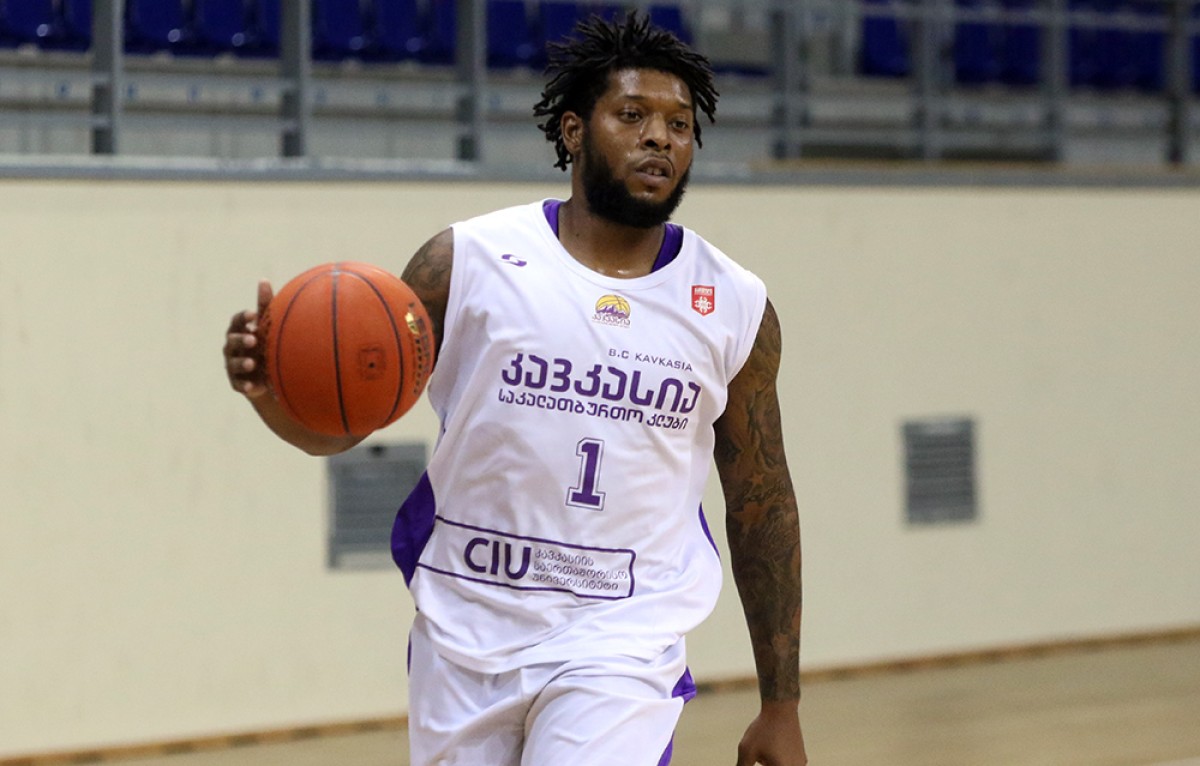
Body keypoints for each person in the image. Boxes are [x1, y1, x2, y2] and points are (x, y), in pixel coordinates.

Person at [224, 11, 806, 766]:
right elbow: (339, 427)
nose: (661, 138)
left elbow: (763, 500)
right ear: (573, 130)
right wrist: (269, 391)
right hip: (466, 629)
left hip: (621, 640)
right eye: (633, 115)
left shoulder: (733, 304)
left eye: (680, 124)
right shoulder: (465, 262)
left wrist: (781, 703)